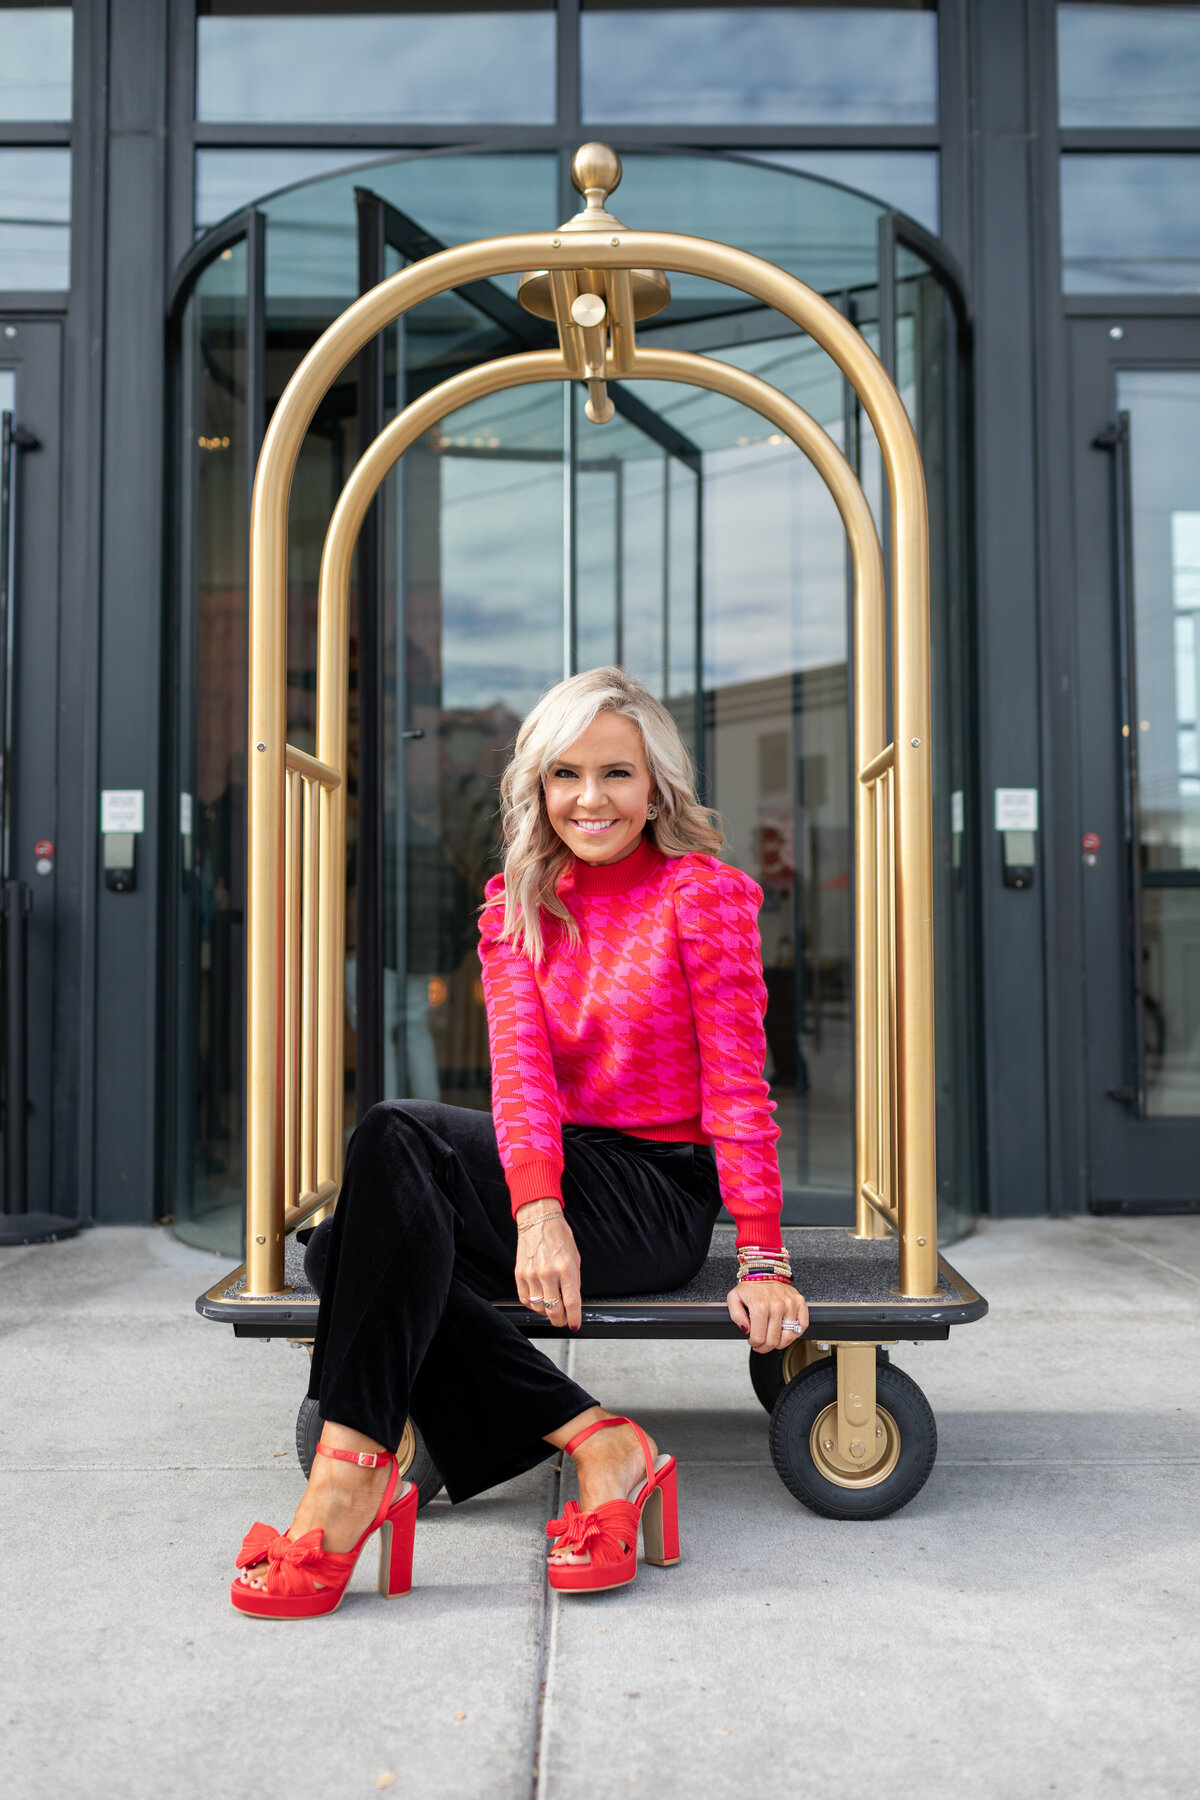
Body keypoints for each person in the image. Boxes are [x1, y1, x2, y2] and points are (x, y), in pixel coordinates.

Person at [230, 667, 809, 1618]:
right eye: (566, 774)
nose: (592, 798)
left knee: (382, 1167)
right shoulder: (517, 905)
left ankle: (346, 1484)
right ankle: (597, 1440)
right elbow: (521, 1080)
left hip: (652, 1193)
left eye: (617, 773)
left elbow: (740, 1085)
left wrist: (760, 1252)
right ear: (537, 787)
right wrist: (538, 1212)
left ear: (656, 783)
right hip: (557, 1173)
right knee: (348, 1238)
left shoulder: (703, 897)